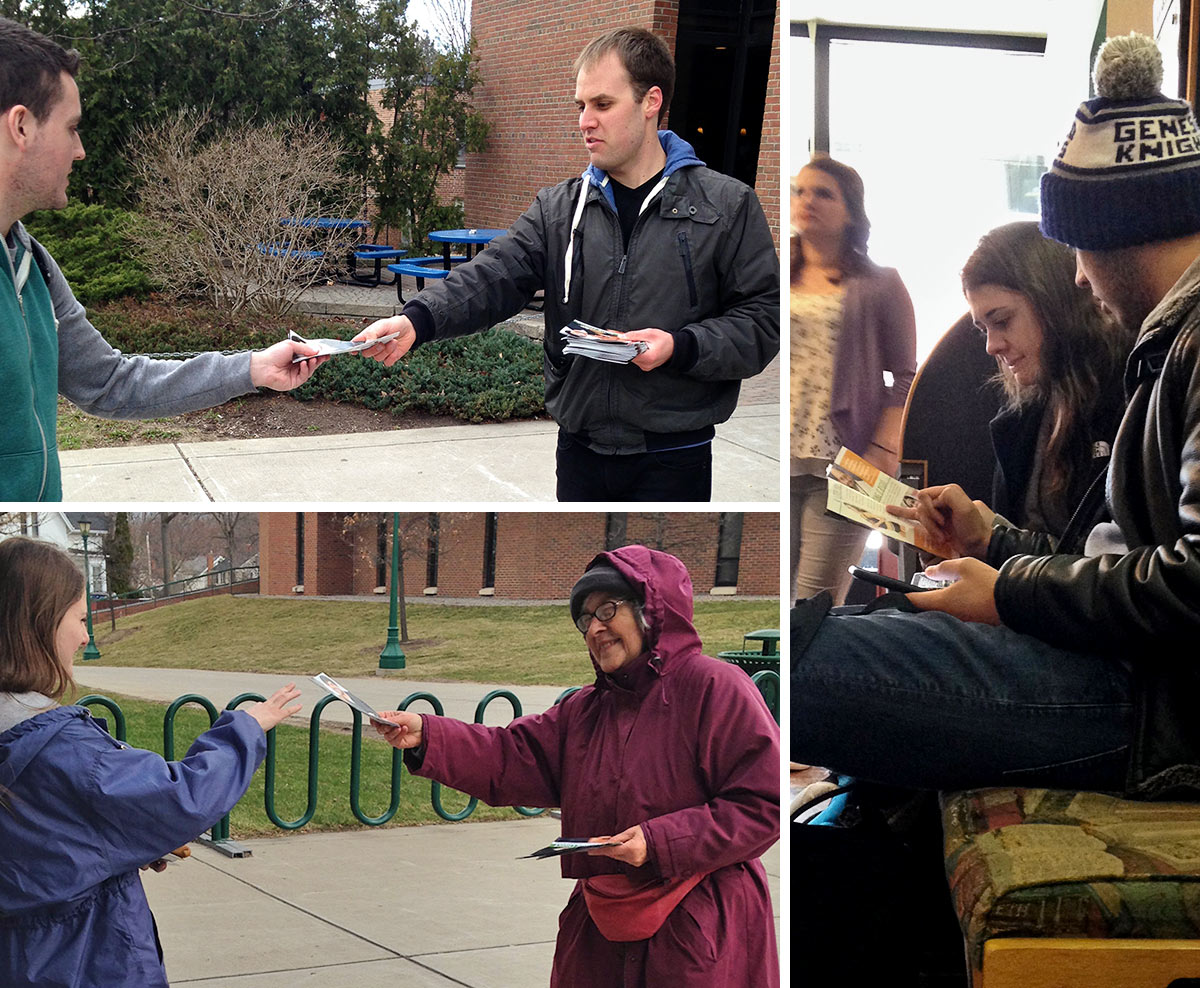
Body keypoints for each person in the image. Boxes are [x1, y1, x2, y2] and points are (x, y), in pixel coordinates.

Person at [793, 28, 1200, 809]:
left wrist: (1007, 591)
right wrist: (995, 542)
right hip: (1128, 683)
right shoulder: (1169, 346)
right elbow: (1111, 561)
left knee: (807, 670)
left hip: (1151, 713)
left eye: (1076, 247)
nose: (1079, 275)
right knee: (836, 639)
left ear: (1115, 228)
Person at [353, 27, 779, 502]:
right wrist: (416, 320)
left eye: (602, 104)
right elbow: (492, 276)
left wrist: (681, 346)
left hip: (675, 456)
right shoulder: (558, 210)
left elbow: (762, 322)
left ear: (650, 101)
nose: (585, 121)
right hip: (578, 454)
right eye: (580, 106)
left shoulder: (728, 205)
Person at [374, 545, 780, 986]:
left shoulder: (715, 688)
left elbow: (763, 804)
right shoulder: (583, 710)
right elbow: (509, 755)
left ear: (652, 610)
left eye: (607, 609)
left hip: (698, 926)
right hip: (599, 929)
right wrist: (428, 735)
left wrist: (657, 842)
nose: (595, 628)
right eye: (585, 619)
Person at [0, 17, 327, 502]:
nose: (81, 150)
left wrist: (252, 368)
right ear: (22, 126)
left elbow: (110, 382)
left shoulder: (33, 265)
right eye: (71, 129)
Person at [0, 537, 302, 988]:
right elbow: (181, 796)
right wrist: (248, 727)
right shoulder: (62, 749)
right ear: (40, 624)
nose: (86, 636)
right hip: (81, 960)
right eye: (80, 619)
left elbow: (43, 843)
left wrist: (111, 846)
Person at [789, 155, 916, 603]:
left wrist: (881, 452)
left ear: (851, 211)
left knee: (810, 609)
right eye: (800, 190)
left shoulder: (880, 284)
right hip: (777, 464)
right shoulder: (777, 275)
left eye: (823, 193)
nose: (807, 201)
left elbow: (905, 376)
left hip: (843, 466)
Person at [961, 221, 1133, 538]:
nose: (991, 346)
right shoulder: (1023, 416)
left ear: (1054, 305)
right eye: (983, 329)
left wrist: (993, 542)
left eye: (1002, 321)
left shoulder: (1129, 398)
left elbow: (1110, 567)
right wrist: (973, 539)